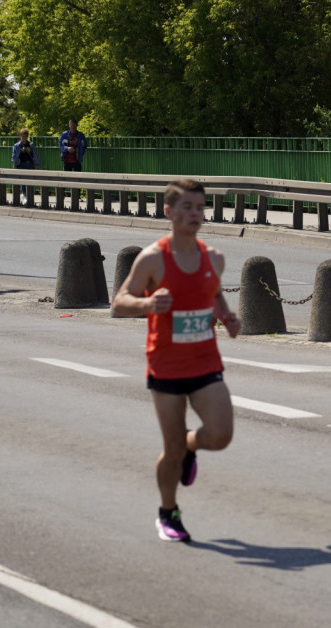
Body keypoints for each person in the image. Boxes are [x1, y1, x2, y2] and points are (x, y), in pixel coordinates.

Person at [111, 179, 241, 543]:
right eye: (186, 207)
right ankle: (168, 511)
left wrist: (227, 317)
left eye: (199, 207)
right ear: (168, 212)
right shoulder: (153, 258)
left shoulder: (213, 257)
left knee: (220, 435)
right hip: (165, 365)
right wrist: (148, 304)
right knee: (170, 451)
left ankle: (190, 445)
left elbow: (214, 295)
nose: (194, 213)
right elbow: (119, 301)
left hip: (204, 361)